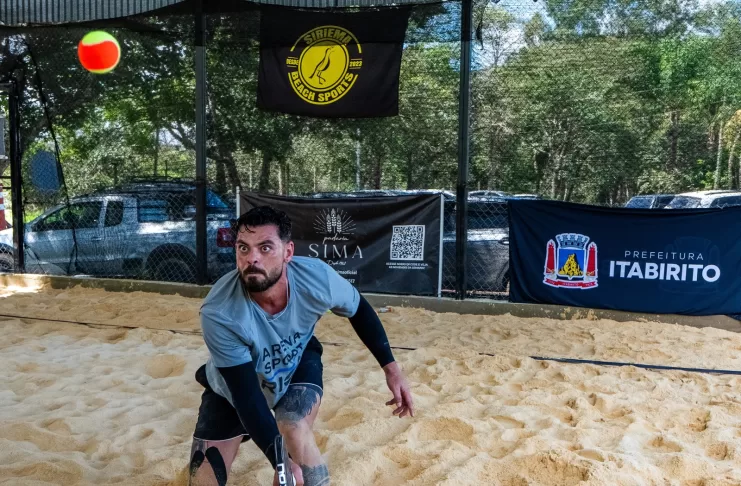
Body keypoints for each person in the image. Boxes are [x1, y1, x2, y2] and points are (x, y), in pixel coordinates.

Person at [188, 205, 415, 486]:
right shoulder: (219, 312)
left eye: (265, 248)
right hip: (232, 387)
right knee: (203, 480)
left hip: (296, 359)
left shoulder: (316, 278)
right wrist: (281, 462)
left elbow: (359, 309)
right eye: (243, 248)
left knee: (294, 429)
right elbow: (248, 399)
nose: (252, 258)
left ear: (288, 252)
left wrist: (392, 369)